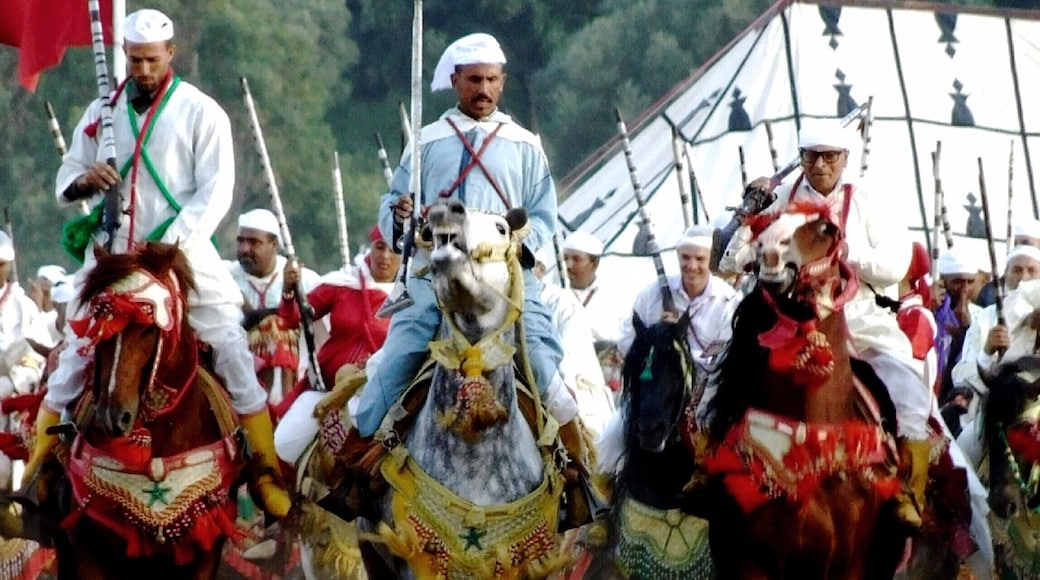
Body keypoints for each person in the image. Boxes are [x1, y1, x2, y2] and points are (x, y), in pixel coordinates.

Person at [34, 9, 290, 518]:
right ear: (123, 58)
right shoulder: (100, 111)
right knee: (73, 360)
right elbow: (66, 175)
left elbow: (214, 194)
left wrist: (165, 248)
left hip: (183, 257)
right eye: (134, 61)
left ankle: (264, 470)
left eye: (152, 60)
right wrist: (85, 181)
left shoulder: (201, 111)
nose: (144, 70)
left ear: (171, 54)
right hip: (112, 257)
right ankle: (40, 473)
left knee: (232, 350)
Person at [362, 33, 578, 447]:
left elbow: (545, 216)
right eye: (474, 79)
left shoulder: (526, 145)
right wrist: (399, 213)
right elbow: (394, 201)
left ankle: (580, 474)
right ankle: (356, 458)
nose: (483, 89)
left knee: (543, 363)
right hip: (435, 275)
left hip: (509, 278)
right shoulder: (427, 141)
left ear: (503, 82)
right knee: (398, 359)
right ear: (457, 80)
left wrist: (522, 248)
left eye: (491, 80)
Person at [719, 119, 931, 529]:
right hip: (786, 325)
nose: (820, 165)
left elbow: (895, 264)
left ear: (844, 159)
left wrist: (842, 252)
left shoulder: (870, 200)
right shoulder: (779, 198)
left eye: (829, 157)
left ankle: (908, 493)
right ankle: (704, 471)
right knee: (718, 379)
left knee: (910, 392)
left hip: (861, 322)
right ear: (801, 158)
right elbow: (730, 262)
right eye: (811, 157)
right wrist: (748, 214)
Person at [226, 208, 320, 405]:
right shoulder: (225, 278)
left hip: (296, 382)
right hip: (237, 383)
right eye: (241, 241)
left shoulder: (306, 279)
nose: (244, 249)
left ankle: (285, 404)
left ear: (274, 245)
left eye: (254, 242)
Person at [533, 247, 614, 438]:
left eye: (530, 266)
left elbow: (568, 359)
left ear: (542, 269)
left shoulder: (562, 301)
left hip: (578, 397)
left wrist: (556, 401)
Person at [933, 248, 986, 401]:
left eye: (969, 282)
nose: (964, 290)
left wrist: (966, 331)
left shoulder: (983, 316)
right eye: (957, 282)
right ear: (943, 282)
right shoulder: (928, 312)